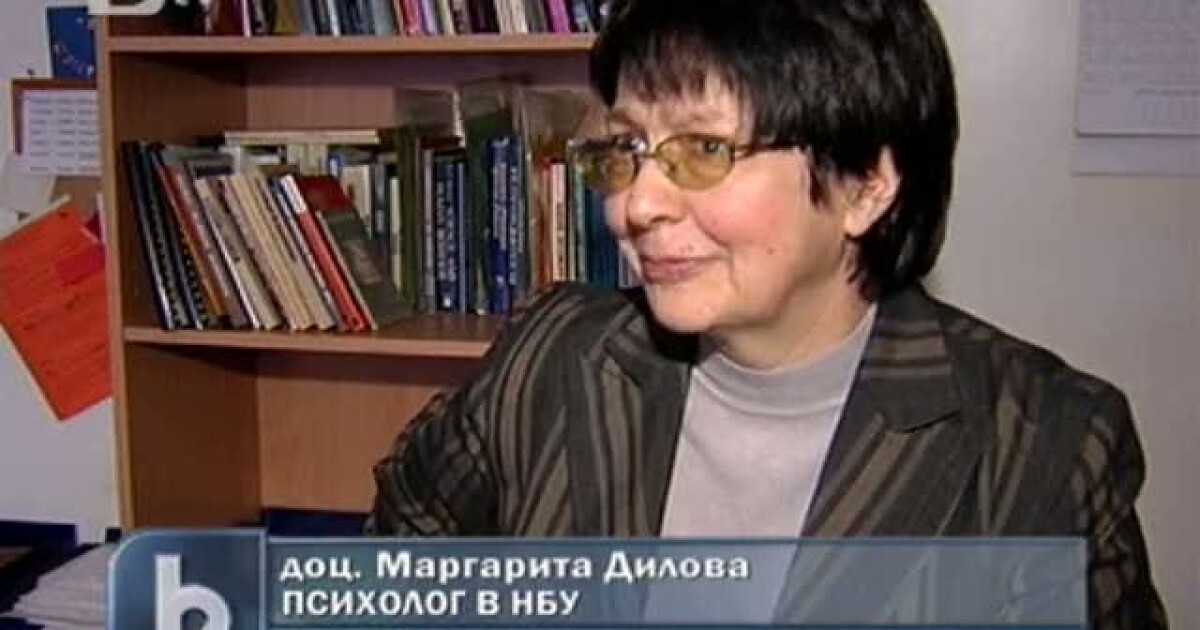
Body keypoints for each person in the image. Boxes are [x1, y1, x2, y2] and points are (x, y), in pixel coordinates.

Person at [365, 0, 1167, 626]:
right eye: (628, 148)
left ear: (865, 185)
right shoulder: (551, 355)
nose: (638, 204)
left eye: (704, 150)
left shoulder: (1045, 446)